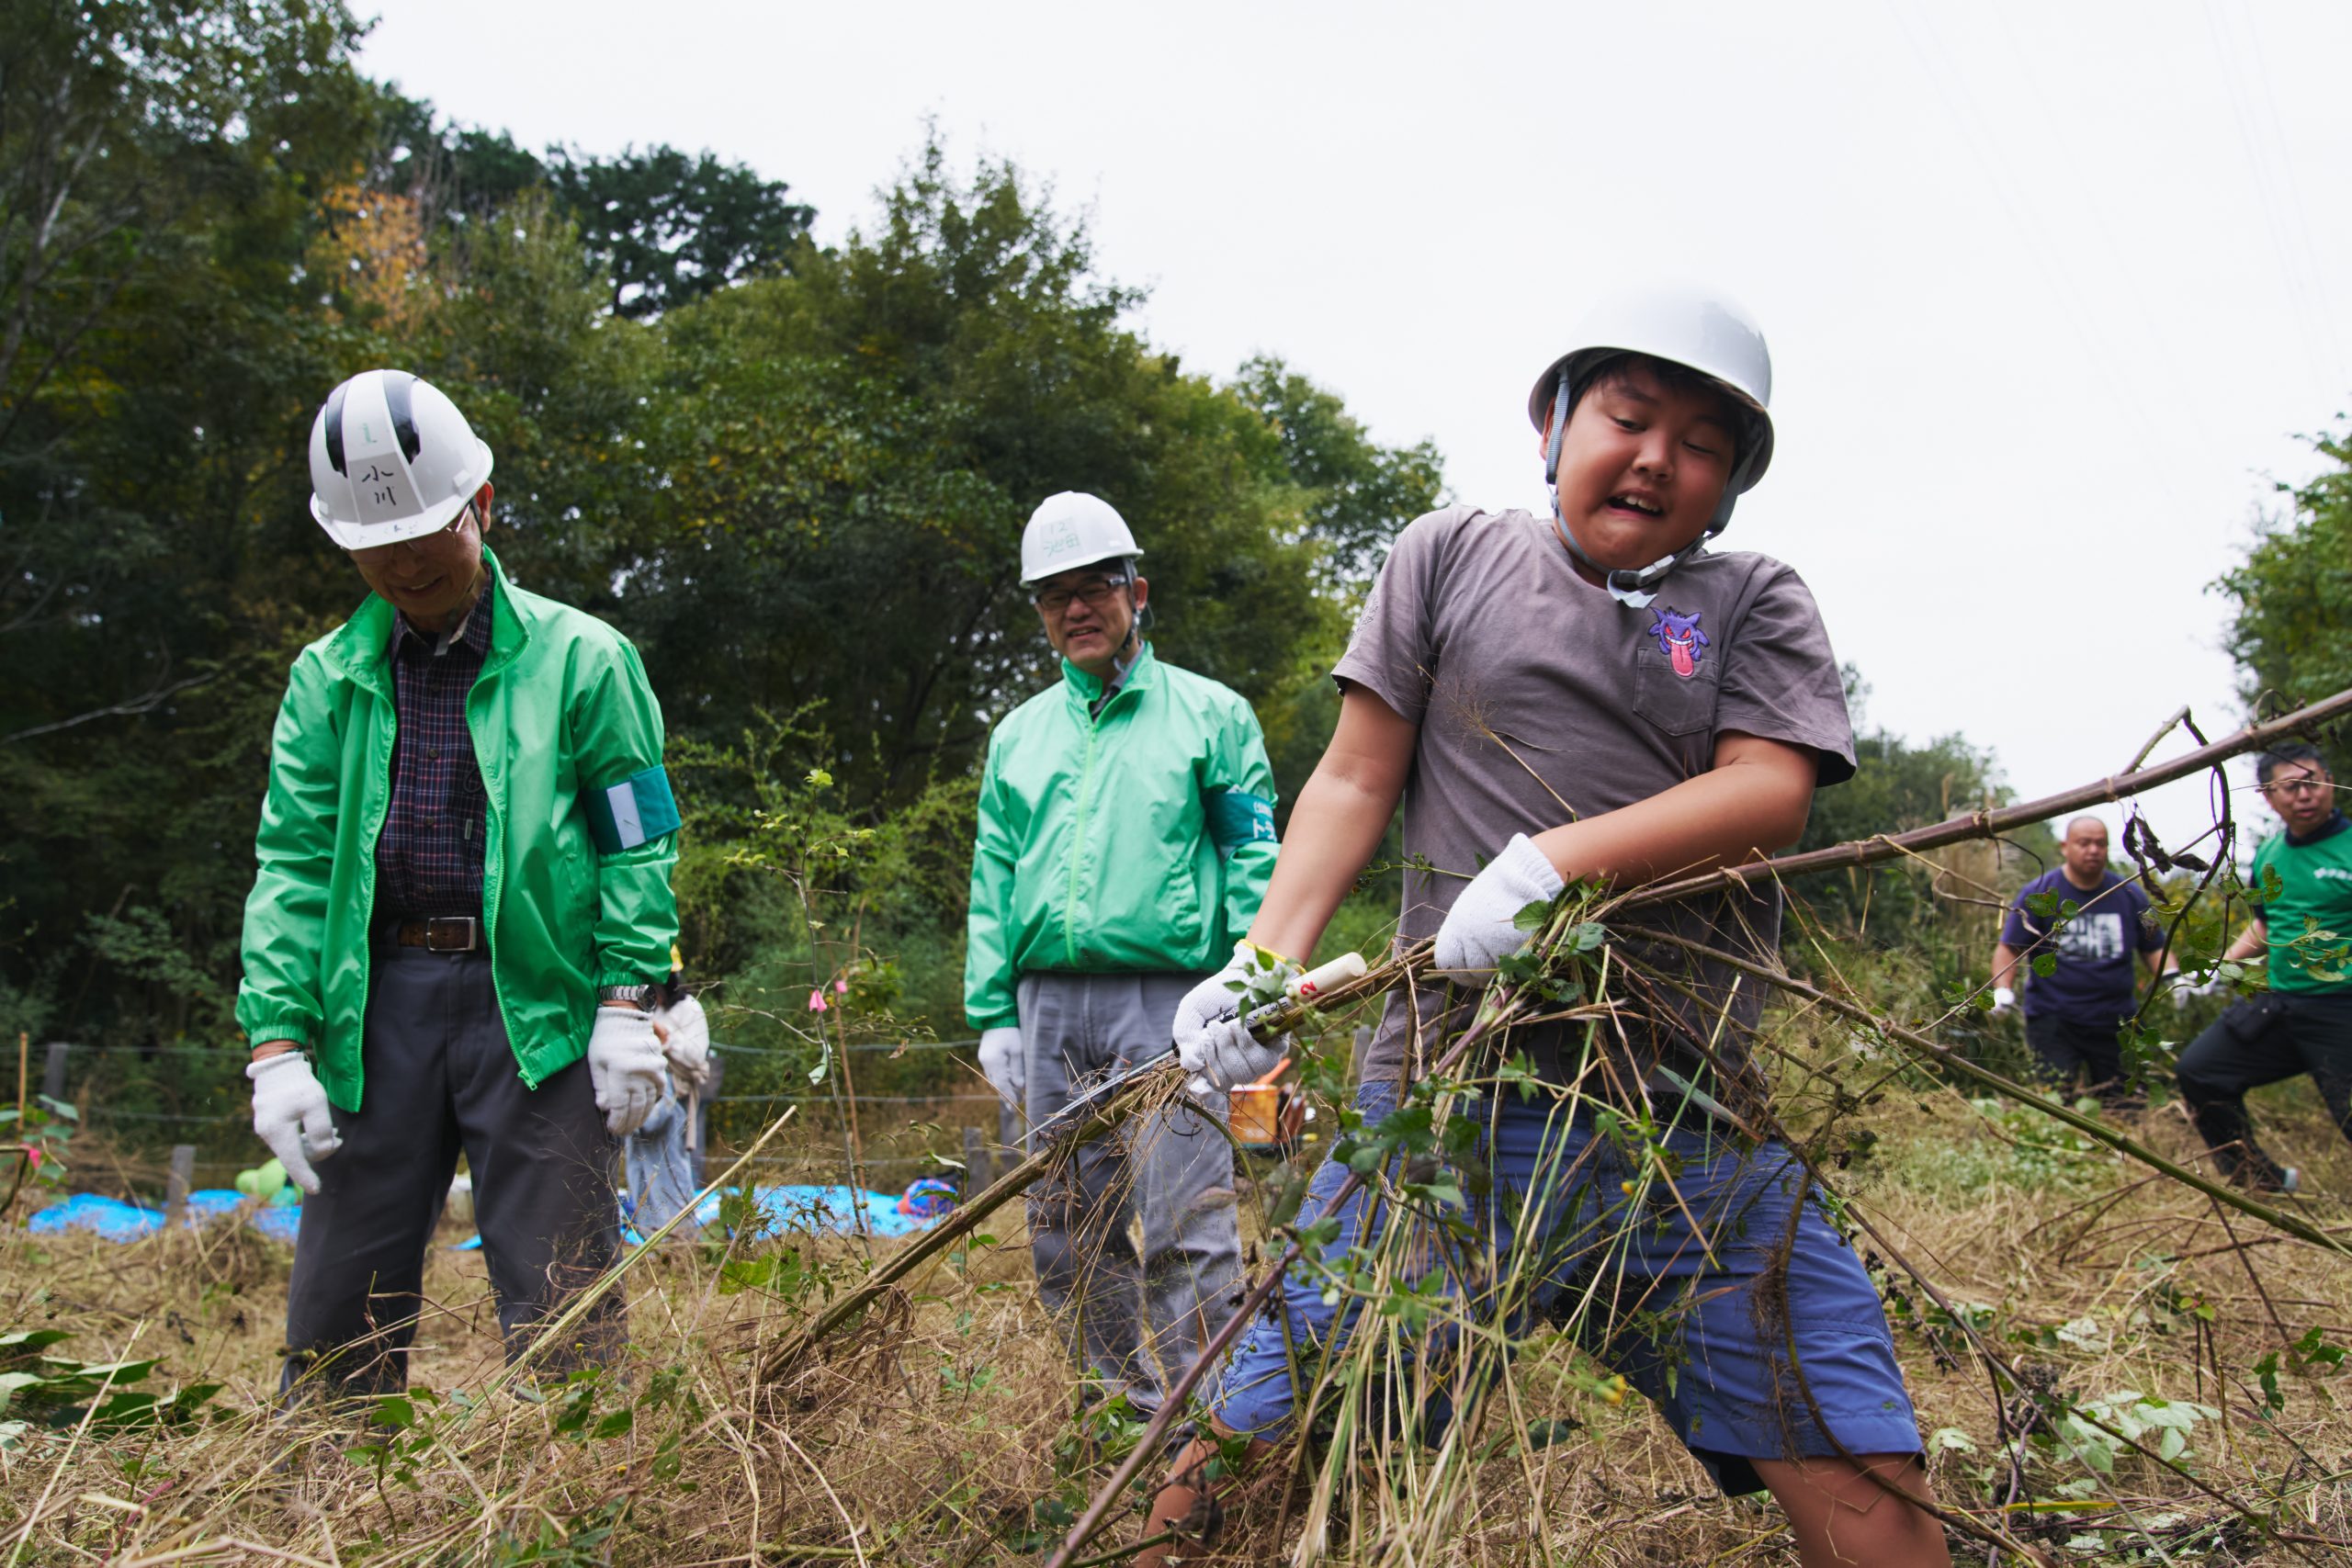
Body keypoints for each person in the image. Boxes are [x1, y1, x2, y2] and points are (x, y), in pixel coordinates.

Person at [1143, 288, 1949, 1566]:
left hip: (1677, 1113)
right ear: (1553, 425)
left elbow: (1768, 790)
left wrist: (1550, 869)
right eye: (1628, 418)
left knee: (1855, 1452)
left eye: (1701, 444)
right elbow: (1354, 773)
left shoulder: (1753, 599)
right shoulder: (1449, 555)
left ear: (1727, 487)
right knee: (1261, 1428)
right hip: (1445, 1106)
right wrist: (1263, 961)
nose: (1656, 457)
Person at [236, 369, 707, 1398]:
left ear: (481, 507)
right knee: (341, 1296)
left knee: (563, 1286)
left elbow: (634, 843)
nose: (403, 564)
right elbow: (295, 864)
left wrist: (630, 999)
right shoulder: (327, 679)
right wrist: (277, 1044)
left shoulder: (586, 661)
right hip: (376, 1004)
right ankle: (331, 1470)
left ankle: (579, 1473)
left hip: (534, 999)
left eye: (423, 533)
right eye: (375, 545)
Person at [964, 491, 1279, 1418]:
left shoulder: (1211, 715)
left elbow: (1252, 854)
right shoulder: (1018, 736)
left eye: (1094, 586)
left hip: (1172, 1001)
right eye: (1053, 594)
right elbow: (992, 875)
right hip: (1047, 1007)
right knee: (1066, 1223)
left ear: (1136, 591)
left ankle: (1214, 1427)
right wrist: (993, 1012)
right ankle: (1117, 1418)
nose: (1076, 608)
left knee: (1187, 1222)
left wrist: (1253, 982)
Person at [2174, 742, 2352, 1194]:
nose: (2304, 795)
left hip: (2341, 1008)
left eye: (2312, 782)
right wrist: (2218, 970)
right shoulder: (2270, 854)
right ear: (2269, 797)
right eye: (2290, 787)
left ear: (2330, 782)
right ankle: (2260, 1180)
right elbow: (2265, 925)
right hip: (2282, 1003)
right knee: (2200, 1071)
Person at [1989, 816, 2172, 1102]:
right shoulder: (2038, 894)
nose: (2093, 850)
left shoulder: (2131, 895)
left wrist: (2175, 977)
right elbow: (2009, 948)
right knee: (2053, 1101)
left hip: (2116, 1021)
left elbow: (2155, 946)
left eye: (2100, 844)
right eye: (2084, 843)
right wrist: (2002, 990)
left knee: (2125, 1104)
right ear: (2065, 847)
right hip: (2053, 1019)